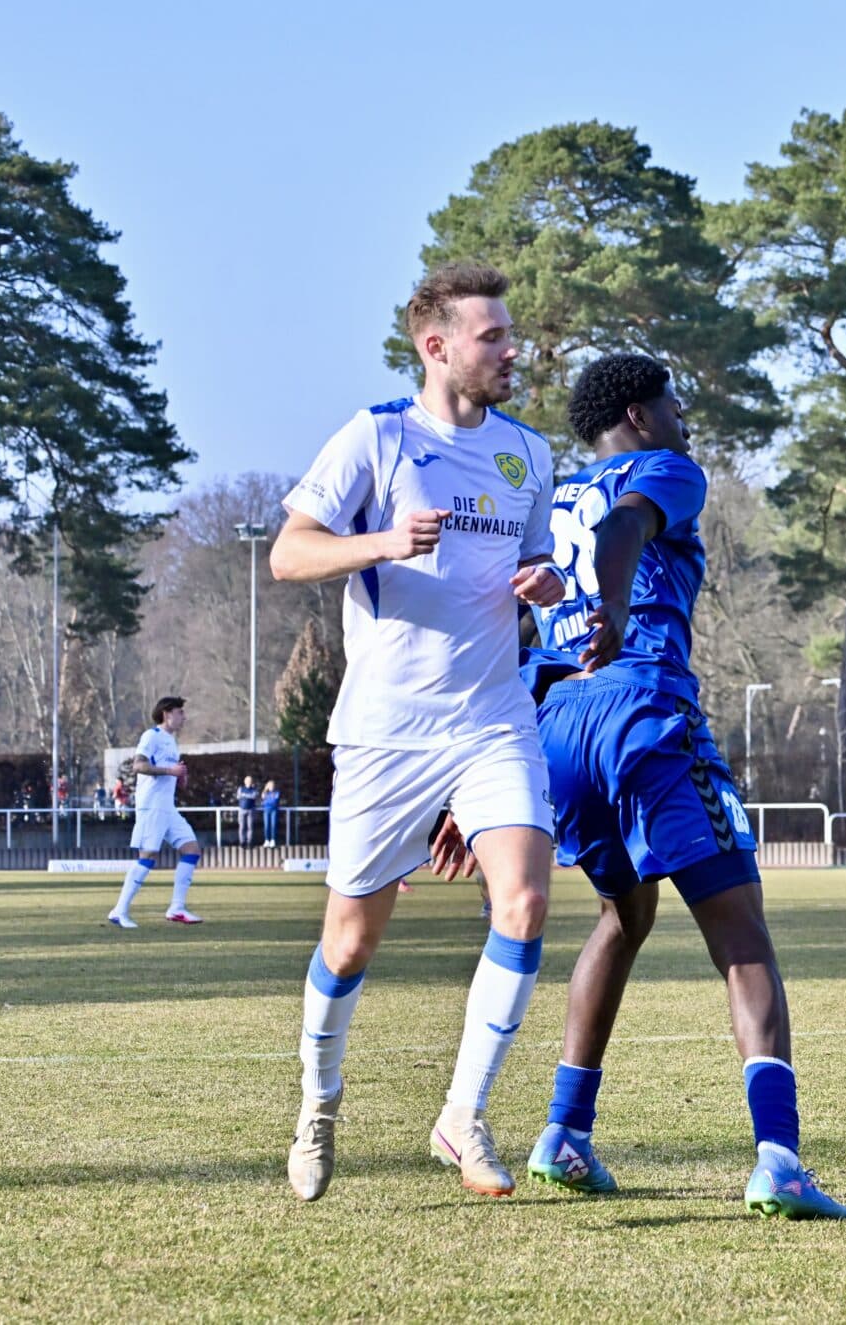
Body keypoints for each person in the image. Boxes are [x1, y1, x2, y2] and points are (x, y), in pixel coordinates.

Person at [435, 354, 846, 1218]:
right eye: (674, 400)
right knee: (740, 926)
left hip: (553, 727)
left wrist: (461, 785)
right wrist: (617, 613)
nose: (684, 416)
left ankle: (564, 1133)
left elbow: (498, 622)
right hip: (641, 709)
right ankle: (779, 1159)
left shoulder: (549, 501)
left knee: (624, 916)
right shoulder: (665, 469)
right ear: (640, 412)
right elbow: (626, 529)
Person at [272, 260, 565, 1203]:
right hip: (388, 733)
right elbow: (289, 553)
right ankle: (319, 1104)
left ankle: (462, 1114)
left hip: (493, 718)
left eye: (509, 334)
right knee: (351, 943)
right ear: (437, 347)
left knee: (523, 899)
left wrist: (545, 587)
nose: (513, 349)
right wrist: (382, 543)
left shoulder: (528, 452)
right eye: (493, 337)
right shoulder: (378, 436)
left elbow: (535, 570)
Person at [106, 697, 205, 928]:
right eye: (180, 712)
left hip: (167, 808)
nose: (184, 717)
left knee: (191, 850)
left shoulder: (171, 741)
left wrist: (179, 776)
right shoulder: (151, 736)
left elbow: (169, 773)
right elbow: (138, 765)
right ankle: (119, 911)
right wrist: (169, 770)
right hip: (151, 807)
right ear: (167, 714)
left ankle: (177, 908)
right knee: (148, 857)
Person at [236, 775, 258, 846]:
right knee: (242, 826)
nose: (249, 782)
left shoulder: (254, 789)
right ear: (245, 782)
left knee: (250, 826)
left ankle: (249, 842)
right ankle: (242, 841)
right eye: (247, 781)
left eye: (250, 781)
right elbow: (238, 797)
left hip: (251, 810)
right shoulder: (241, 789)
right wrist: (246, 796)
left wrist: (245, 796)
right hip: (242, 809)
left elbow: (254, 796)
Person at [260, 779, 281, 847]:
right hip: (266, 811)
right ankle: (266, 840)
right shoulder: (265, 793)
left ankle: (273, 840)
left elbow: (274, 802)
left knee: (273, 825)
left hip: (274, 811)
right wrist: (266, 801)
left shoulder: (277, 792)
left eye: (272, 786)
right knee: (266, 826)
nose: (271, 787)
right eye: (270, 786)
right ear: (267, 786)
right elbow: (263, 803)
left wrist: (267, 801)